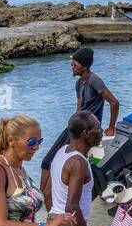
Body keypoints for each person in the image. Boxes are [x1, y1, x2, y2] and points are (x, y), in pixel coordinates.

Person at [40, 46, 120, 180]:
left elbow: (114, 103)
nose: (72, 66)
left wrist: (111, 127)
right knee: (47, 161)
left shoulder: (94, 80)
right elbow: (78, 111)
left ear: (85, 66)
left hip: (88, 128)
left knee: (56, 162)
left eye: (75, 64)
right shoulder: (78, 83)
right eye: (71, 64)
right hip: (77, 127)